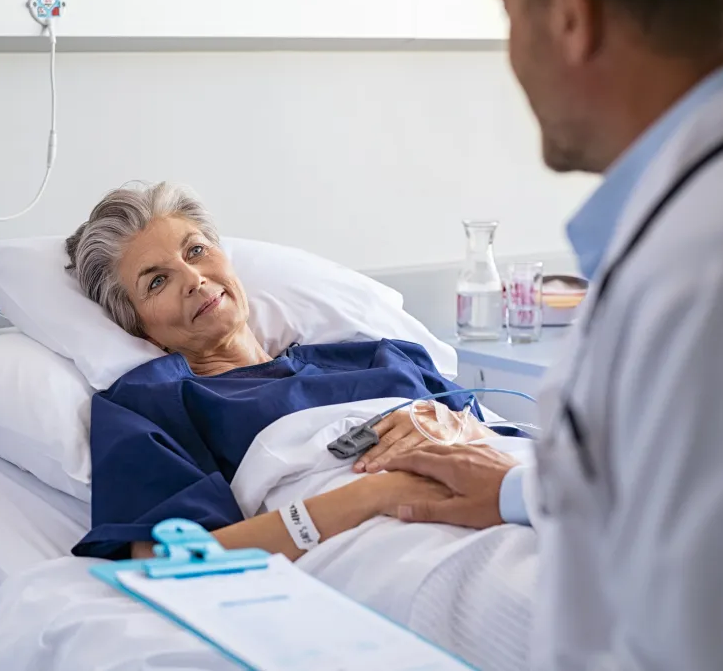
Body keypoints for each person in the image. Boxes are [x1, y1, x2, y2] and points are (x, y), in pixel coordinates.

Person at [380, 0, 723, 669]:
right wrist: (514, 488)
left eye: (507, 11)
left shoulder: (718, 265)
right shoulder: (708, 222)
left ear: (569, 15)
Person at [63, 182, 508, 562]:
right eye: (156, 281)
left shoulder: (376, 355)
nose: (193, 278)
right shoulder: (153, 402)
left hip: (511, 489)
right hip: (395, 543)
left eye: (196, 251)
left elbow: (503, 440)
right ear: (138, 325)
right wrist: (381, 493)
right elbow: (172, 556)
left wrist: (459, 424)